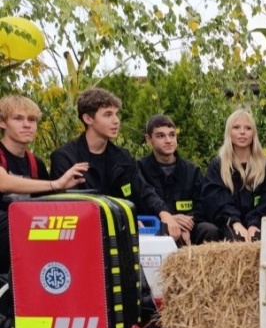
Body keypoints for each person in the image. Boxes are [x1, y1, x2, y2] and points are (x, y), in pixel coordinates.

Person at [50, 88, 181, 239]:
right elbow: (72, 208)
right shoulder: (65, 158)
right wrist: (121, 219)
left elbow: (142, 190)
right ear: (88, 119)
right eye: (108, 115)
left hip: (120, 237)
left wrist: (164, 213)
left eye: (116, 114)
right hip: (80, 238)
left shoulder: (122, 157)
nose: (116, 121)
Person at [0, 95, 88, 274]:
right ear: (2, 123)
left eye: (32, 120)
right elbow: (3, 182)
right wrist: (56, 184)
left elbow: (46, 205)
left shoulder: (35, 163)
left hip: (20, 240)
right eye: (18, 119)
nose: (27, 125)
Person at [138, 114, 220, 245]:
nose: (168, 140)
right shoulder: (139, 170)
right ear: (148, 139)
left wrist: (185, 222)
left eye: (172, 135)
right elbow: (141, 204)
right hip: (155, 227)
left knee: (210, 230)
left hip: (188, 227)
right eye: (160, 136)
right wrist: (169, 219)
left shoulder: (192, 171)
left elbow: (204, 204)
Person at [202, 108, 266, 242]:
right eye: (236, 127)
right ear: (229, 132)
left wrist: (254, 223)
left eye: (248, 128)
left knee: (257, 239)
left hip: (259, 222)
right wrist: (234, 221)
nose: (242, 132)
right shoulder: (218, 165)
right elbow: (216, 199)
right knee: (236, 238)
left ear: (253, 134)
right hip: (227, 223)